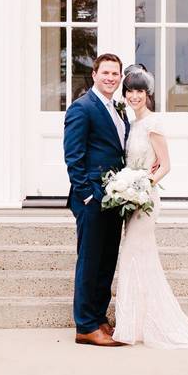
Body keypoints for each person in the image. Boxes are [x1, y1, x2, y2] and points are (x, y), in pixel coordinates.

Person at [113, 66, 188, 349]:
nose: (134, 96)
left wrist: (141, 186)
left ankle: (142, 325)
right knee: (135, 259)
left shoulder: (153, 123)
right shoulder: (132, 123)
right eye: (130, 90)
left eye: (139, 91)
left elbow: (165, 165)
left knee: (133, 257)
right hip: (131, 199)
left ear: (147, 93)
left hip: (145, 200)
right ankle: (135, 323)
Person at [63, 53, 130, 347]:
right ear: (94, 74)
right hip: (92, 196)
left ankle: (99, 317)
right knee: (90, 261)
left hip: (114, 198)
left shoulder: (117, 109)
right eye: (105, 73)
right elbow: (73, 156)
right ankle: (85, 325)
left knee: (106, 260)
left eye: (115, 74)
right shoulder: (82, 108)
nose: (111, 78)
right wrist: (87, 194)